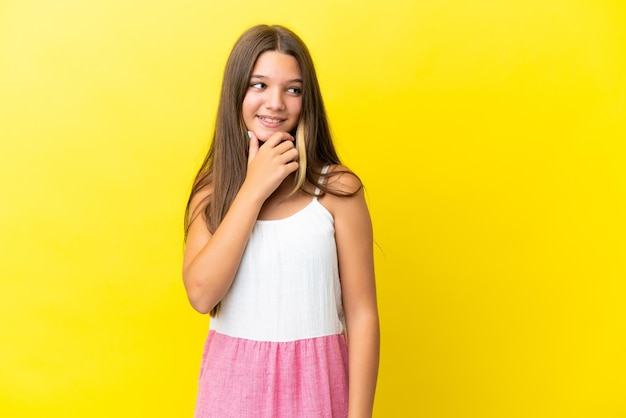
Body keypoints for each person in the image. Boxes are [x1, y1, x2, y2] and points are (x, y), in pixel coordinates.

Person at [183, 24, 379, 418]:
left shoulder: (338, 191)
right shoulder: (212, 191)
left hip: (317, 388)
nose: (276, 102)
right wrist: (253, 189)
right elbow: (201, 295)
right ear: (236, 92)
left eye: (293, 89)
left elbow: (362, 315)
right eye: (259, 85)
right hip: (233, 391)